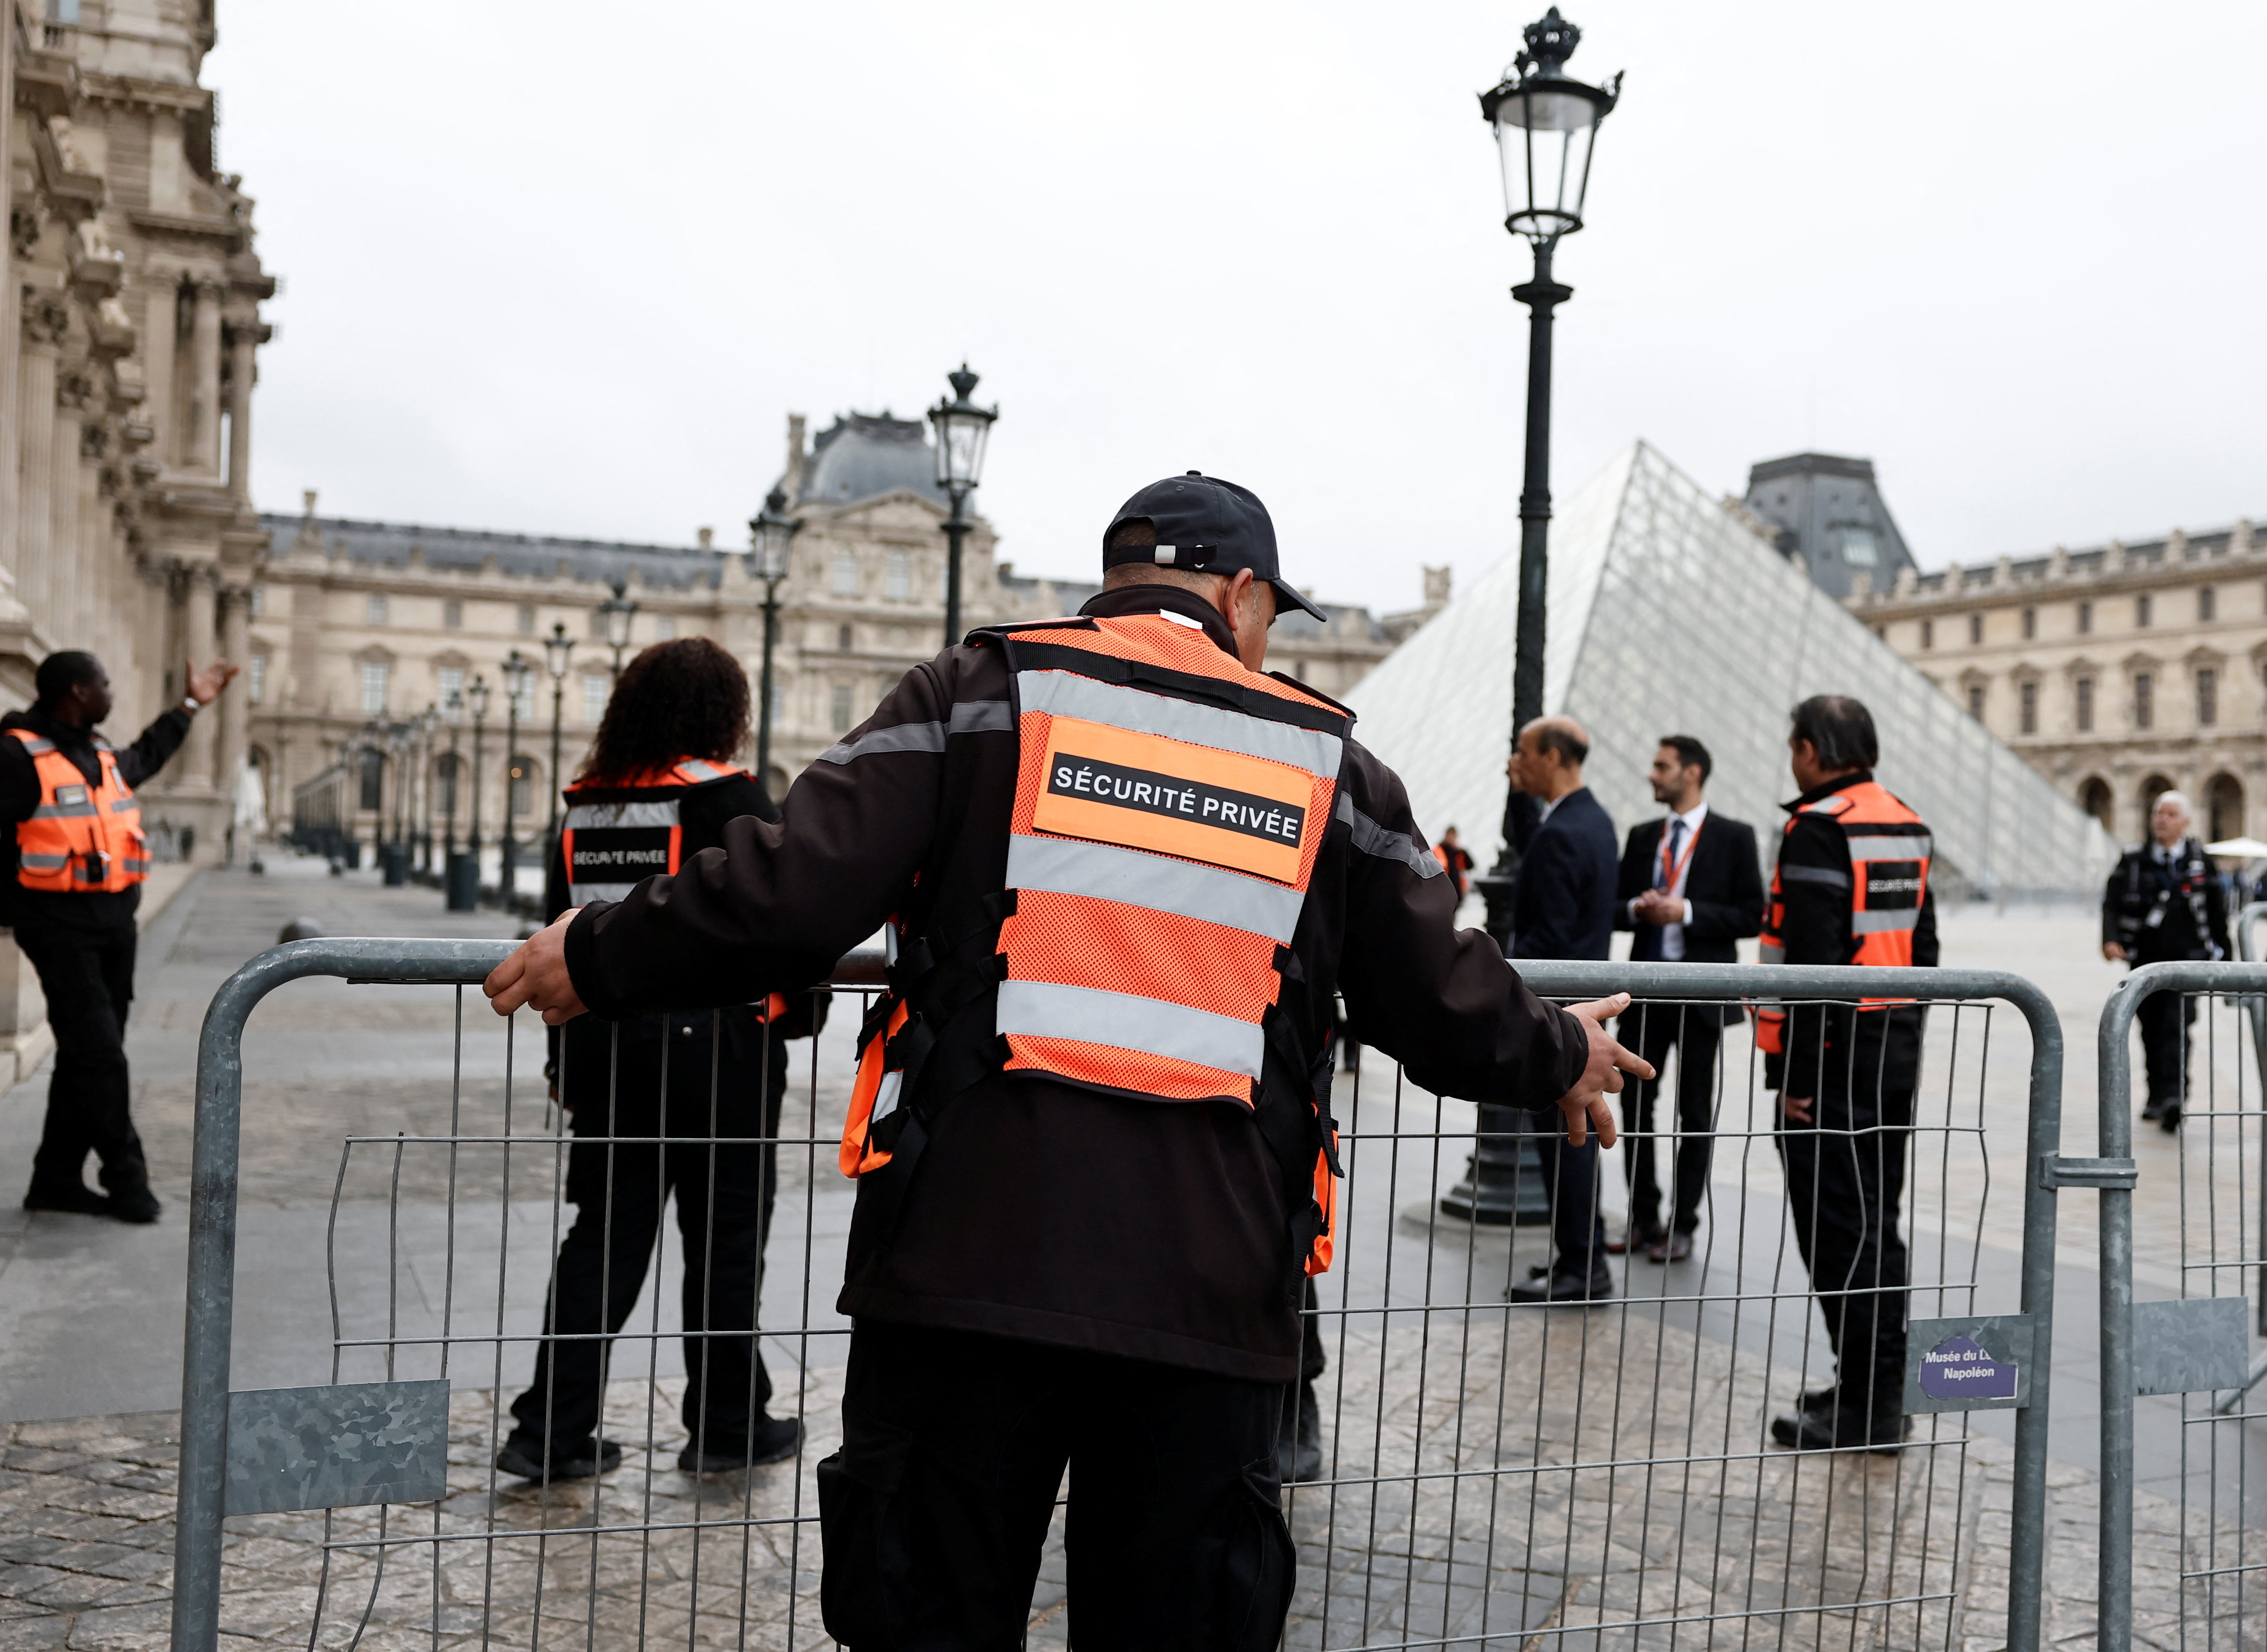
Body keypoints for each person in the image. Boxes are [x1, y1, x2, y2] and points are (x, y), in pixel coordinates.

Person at [482, 472, 1649, 1647]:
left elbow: (793, 887)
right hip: (1211, 1281)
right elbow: (1433, 990)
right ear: (1241, 596)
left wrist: (603, 950)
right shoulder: (1325, 760)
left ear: (1113, 583)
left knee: (930, 1618)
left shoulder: (984, 692)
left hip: (966, 1261)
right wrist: (1560, 1054)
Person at [494, 638, 806, 1482]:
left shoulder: (586, 804)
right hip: (717, 1049)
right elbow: (776, 913)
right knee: (727, 1238)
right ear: (723, 712)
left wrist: (565, 1057)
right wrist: (800, 1015)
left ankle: (549, 1426)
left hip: (605, 1040)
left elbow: (557, 931)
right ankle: (727, 1419)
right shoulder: (728, 795)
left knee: (604, 1236)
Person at [1757, 695, 1937, 1454]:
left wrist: (1795, 1079)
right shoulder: (1903, 820)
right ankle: (1873, 1386)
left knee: (1838, 1235)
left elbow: (1813, 969)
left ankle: (1869, 1410)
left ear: (1811, 749)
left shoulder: (1818, 828)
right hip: (1889, 1052)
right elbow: (1923, 950)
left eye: (1794, 745)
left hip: (1827, 1069)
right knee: (1876, 1226)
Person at [5, 648, 235, 1223]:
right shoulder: (14, 754)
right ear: (79, 693)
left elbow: (148, 754)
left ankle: (54, 1179)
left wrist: (189, 706)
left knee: (88, 1057)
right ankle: (127, 1179)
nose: (111, 692)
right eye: (103, 684)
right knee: (101, 1055)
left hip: (115, 929)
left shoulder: (101, 753)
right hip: (59, 929)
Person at [1610, 734, 1763, 1263]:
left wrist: (1688, 911)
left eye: (1663, 766)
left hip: (1700, 994)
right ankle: (1644, 1218)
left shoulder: (1735, 838)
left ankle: (1683, 1224)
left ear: (1692, 772)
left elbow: (1751, 914)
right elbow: (1613, 907)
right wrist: (1639, 906)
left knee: (1694, 1111)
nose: (1653, 775)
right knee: (1634, 1105)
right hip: (1646, 994)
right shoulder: (1642, 835)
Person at [1503, 715, 1621, 1304]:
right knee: (1569, 1143)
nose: (1515, 763)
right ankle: (1579, 1258)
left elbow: (1544, 938)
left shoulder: (1561, 835)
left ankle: (1582, 1266)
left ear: (1552, 757)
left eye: (1523, 754)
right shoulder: (1593, 821)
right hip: (1586, 1009)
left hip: (1557, 1017)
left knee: (1565, 1144)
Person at [2101, 790, 2229, 1132]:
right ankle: (2156, 1095)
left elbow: (2218, 913)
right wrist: (2110, 939)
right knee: (2149, 1030)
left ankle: (2175, 1097)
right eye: (2159, 812)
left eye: (2171, 814)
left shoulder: (2201, 861)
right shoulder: (2133, 860)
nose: (2162, 819)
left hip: (2188, 962)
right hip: (2144, 960)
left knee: (2178, 1027)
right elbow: (2111, 902)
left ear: (2185, 822)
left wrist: (2228, 960)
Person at [1434, 824, 1474, 899]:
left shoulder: (1459, 852)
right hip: (1443, 886)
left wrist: (1463, 851)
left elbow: (1470, 865)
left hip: (1457, 888)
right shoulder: (1439, 850)